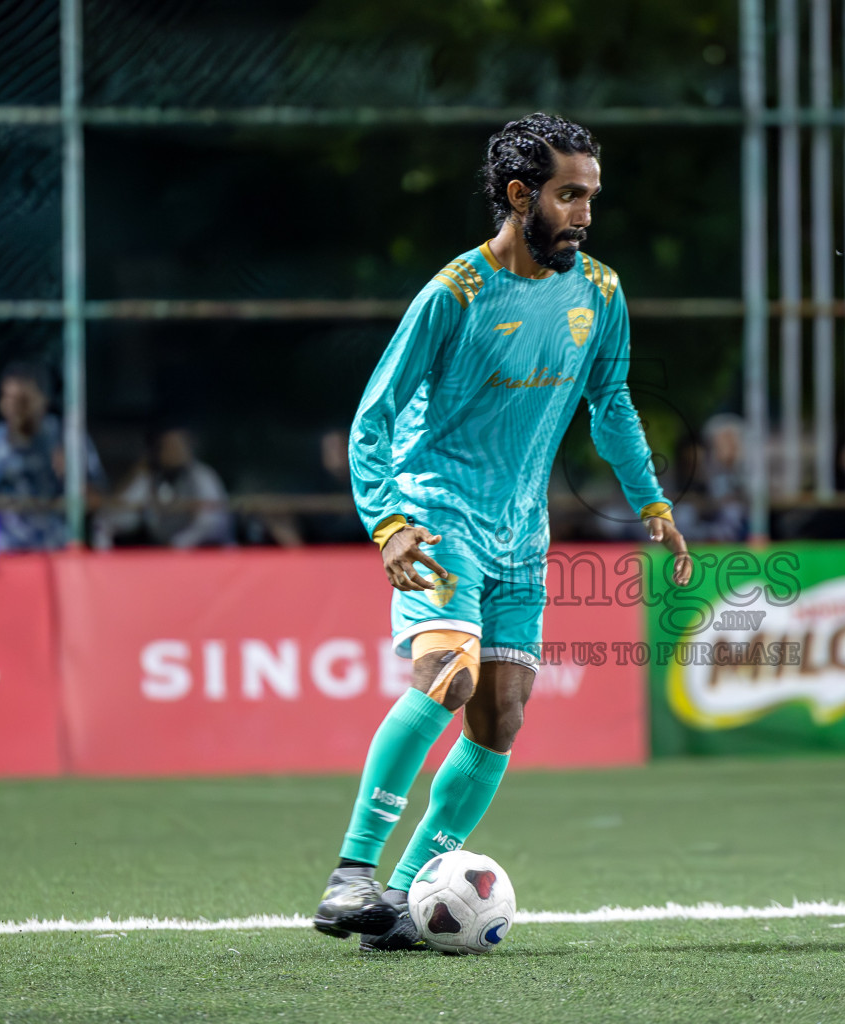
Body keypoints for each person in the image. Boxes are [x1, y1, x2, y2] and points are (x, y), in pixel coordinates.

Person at [313, 113, 693, 950]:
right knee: (446, 674)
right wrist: (388, 524)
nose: (586, 213)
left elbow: (615, 403)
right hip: (440, 507)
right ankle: (351, 876)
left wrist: (653, 504)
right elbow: (370, 420)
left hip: (523, 533)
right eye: (569, 195)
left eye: (592, 195)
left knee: (502, 715)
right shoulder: (453, 295)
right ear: (521, 196)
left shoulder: (600, 291)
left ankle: (407, 904)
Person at [0, 362, 105, 551]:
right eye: (8, 398)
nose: (15, 408)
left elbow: (98, 502)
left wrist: (72, 477)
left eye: (23, 400)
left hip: (56, 558)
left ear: (43, 400)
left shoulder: (68, 440)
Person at [93, 427, 232, 549]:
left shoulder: (202, 476)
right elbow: (115, 517)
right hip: (165, 555)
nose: (170, 451)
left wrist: (178, 544)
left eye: (176, 445)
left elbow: (209, 523)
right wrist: (139, 472)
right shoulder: (150, 477)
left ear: (187, 448)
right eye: (165, 446)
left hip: (207, 555)